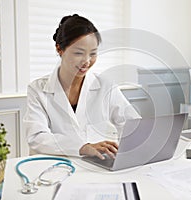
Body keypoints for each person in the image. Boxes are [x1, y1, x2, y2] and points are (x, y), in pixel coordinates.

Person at [23, 14, 140, 160]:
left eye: (93, 53)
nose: (87, 61)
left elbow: (132, 124)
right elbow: (37, 137)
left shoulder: (105, 85)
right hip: (55, 166)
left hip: (97, 165)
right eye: (79, 53)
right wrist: (83, 147)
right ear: (60, 49)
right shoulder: (38, 89)